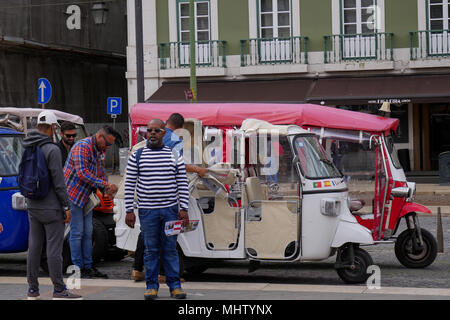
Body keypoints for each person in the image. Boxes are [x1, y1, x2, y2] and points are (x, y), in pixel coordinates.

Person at [130, 113, 208, 282]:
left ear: (165, 125)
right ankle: (165, 275)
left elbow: (131, 178)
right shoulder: (175, 140)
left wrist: (130, 207)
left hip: (145, 198)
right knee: (169, 239)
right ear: (180, 128)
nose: (153, 133)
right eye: (151, 130)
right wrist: (197, 169)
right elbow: (180, 168)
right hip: (167, 200)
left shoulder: (143, 146)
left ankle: (137, 269)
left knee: (147, 236)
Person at [124, 119, 189, 300]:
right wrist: (129, 210)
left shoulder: (174, 155)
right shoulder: (137, 155)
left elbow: (182, 183)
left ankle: (175, 286)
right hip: (147, 211)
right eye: (149, 130)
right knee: (151, 250)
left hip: (170, 211)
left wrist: (183, 208)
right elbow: (129, 184)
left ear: (163, 133)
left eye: (156, 130)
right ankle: (151, 287)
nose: (152, 133)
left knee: (170, 249)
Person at [24, 110, 82, 300]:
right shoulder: (52, 149)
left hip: (32, 204)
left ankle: (32, 289)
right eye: (55, 127)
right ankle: (59, 289)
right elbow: (59, 182)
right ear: (52, 127)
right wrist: (66, 206)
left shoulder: (28, 146)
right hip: (51, 207)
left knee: (34, 247)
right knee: (54, 250)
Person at [64, 125, 119, 279]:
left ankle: (87, 267)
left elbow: (101, 171)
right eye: (107, 143)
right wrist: (105, 185)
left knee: (87, 232)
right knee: (77, 233)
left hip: (86, 196)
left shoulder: (99, 149)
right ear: (100, 137)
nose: (108, 147)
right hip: (73, 194)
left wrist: (107, 189)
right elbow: (82, 173)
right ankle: (77, 268)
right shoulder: (82, 147)